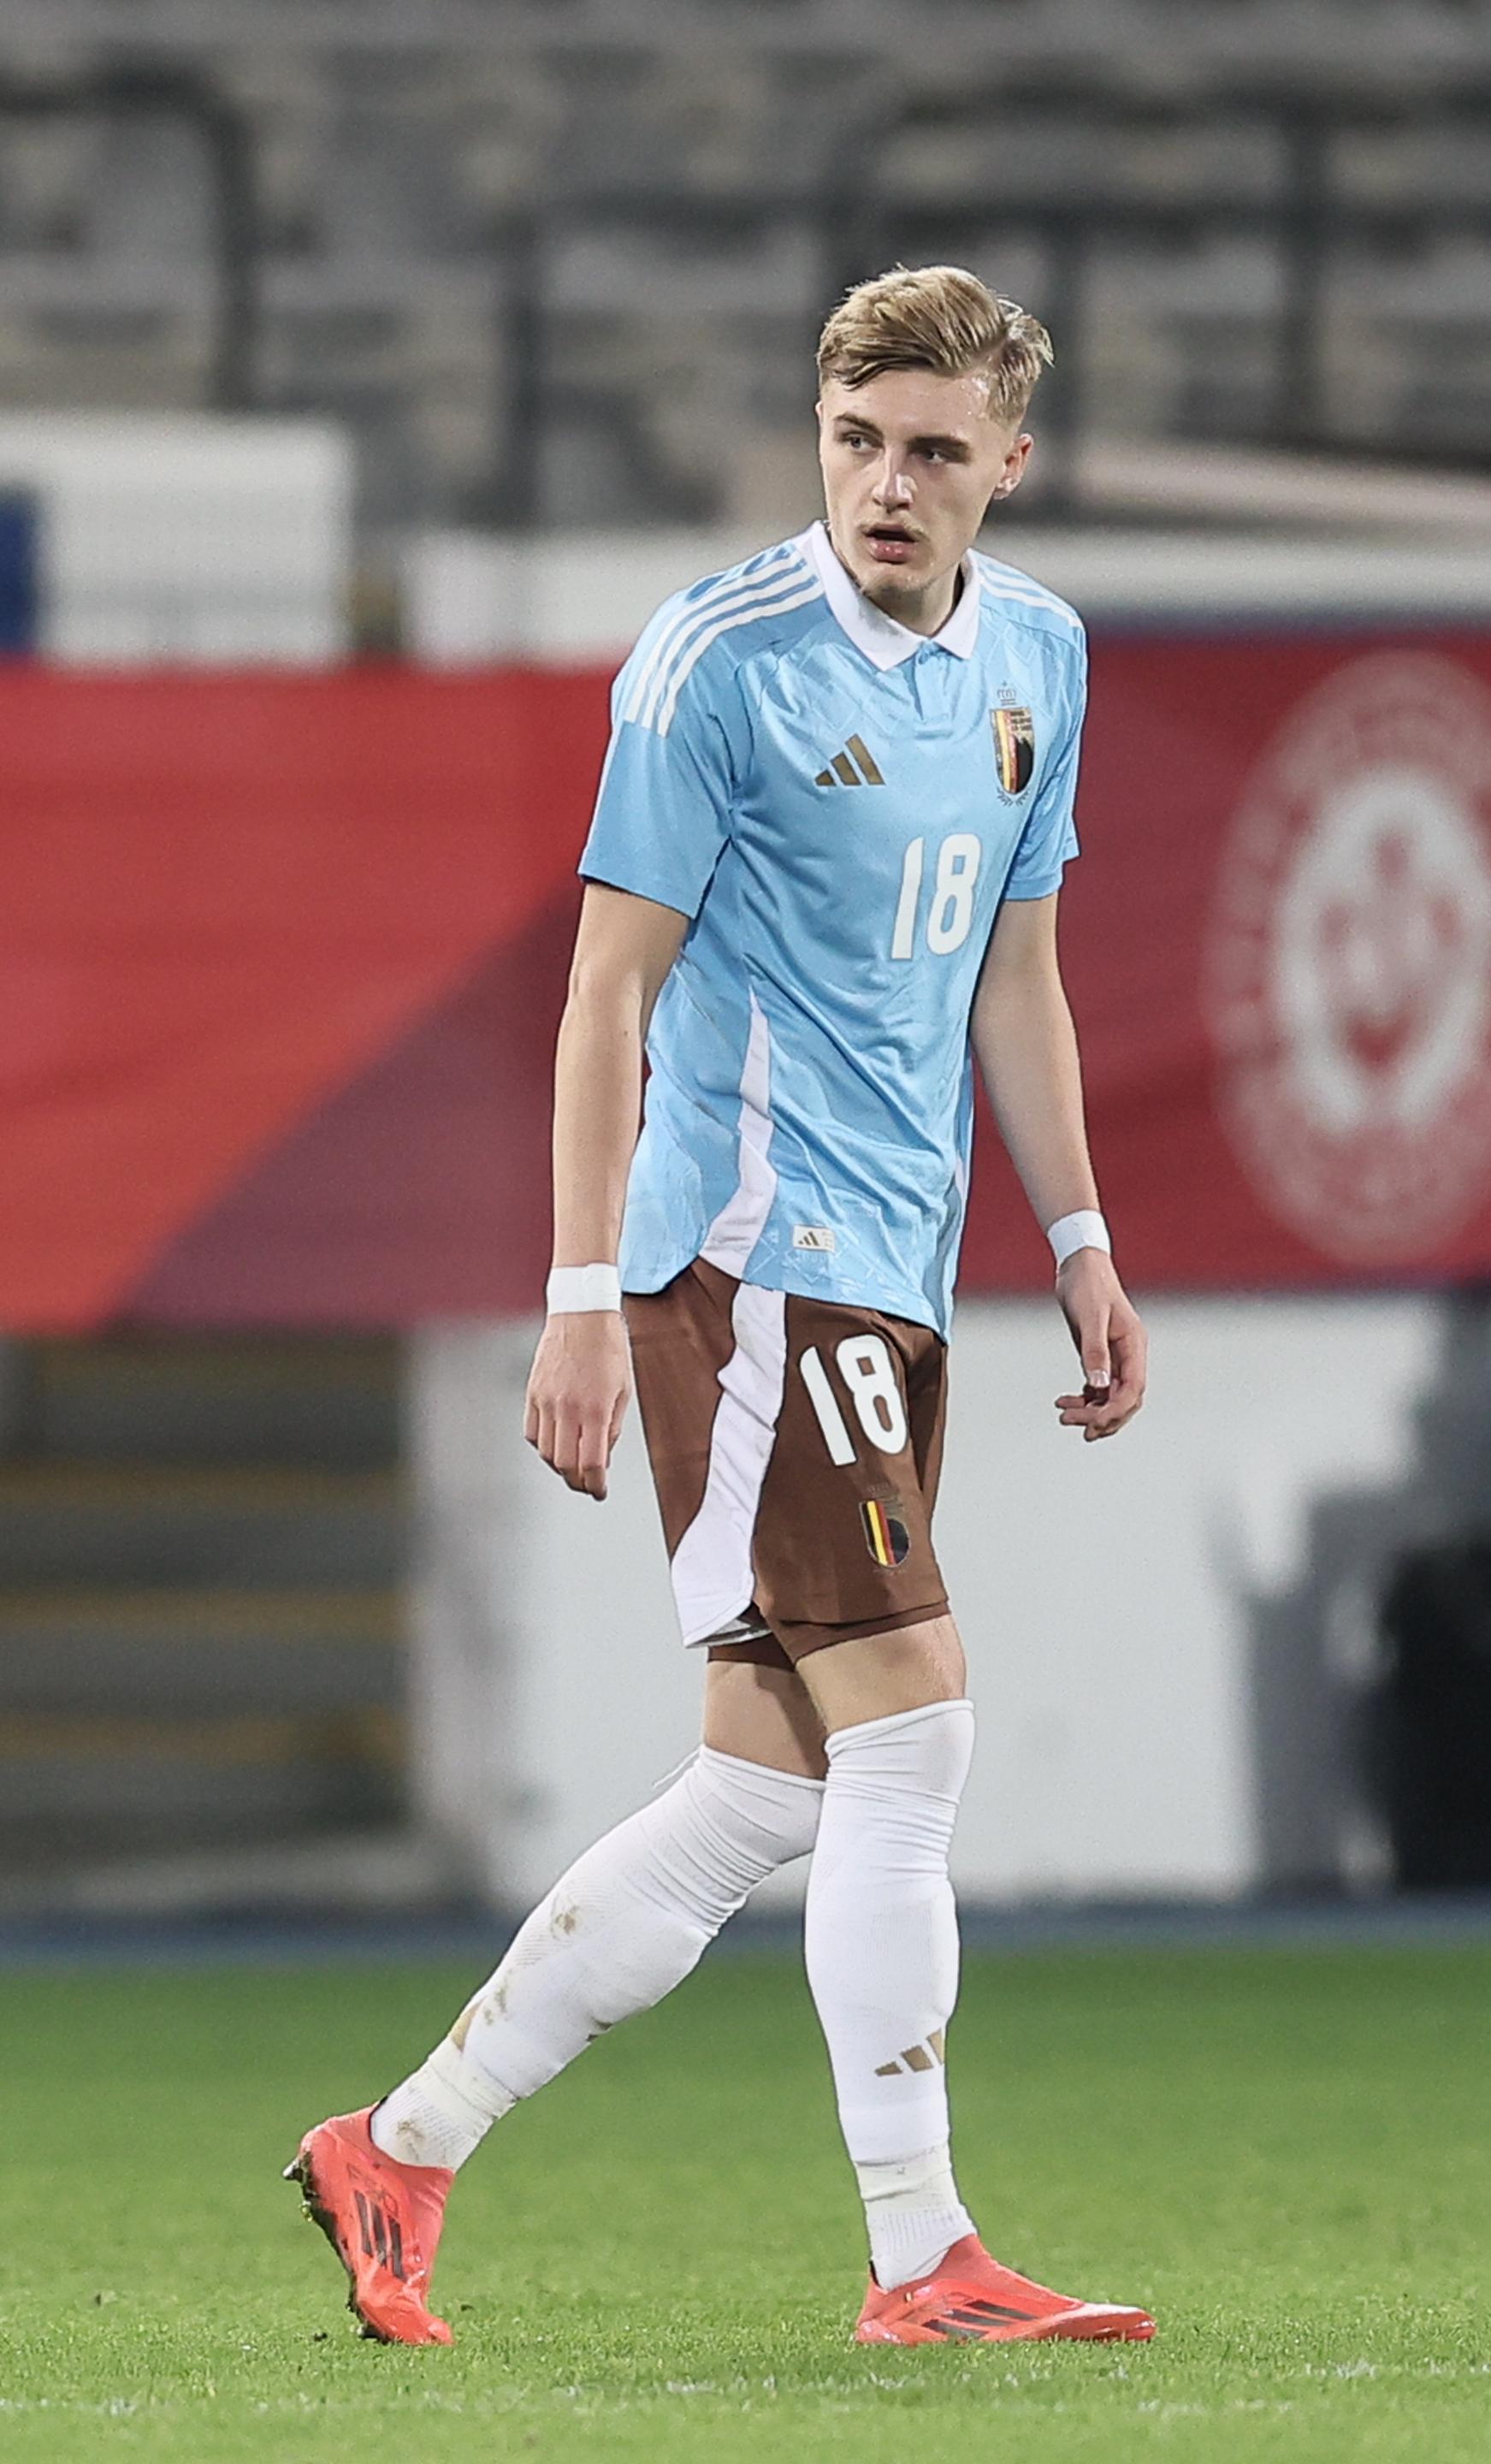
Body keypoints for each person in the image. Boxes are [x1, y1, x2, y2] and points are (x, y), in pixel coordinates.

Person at [287, 263, 1154, 2350]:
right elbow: (608, 990)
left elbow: (1013, 972)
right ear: (820, 434)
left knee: (771, 1789)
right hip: (748, 1264)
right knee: (920, 1731)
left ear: (1007, 468)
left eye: (936, 450)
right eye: (857, 438)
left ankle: (398, 2149)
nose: (887, 482)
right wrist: (584, 1294)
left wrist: (1080, 1235)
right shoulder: (720, 660)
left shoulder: (1039, 650)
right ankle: (919, 2256)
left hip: (900, 1272)